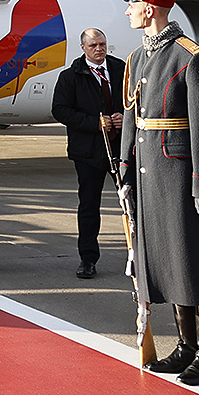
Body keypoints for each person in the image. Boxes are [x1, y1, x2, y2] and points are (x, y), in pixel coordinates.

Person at [119, 0, 199, 386]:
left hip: (180, 174)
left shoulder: (191, 57)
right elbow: (133, 119)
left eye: (132, 3)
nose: (128, 10)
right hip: (150, 174)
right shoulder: (138, 58)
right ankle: (187, 346)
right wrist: (125, 170)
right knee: (169, 263)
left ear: (150, 7)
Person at [51, 28, 126, 280]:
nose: (99, 49)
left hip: (120, 148)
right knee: (89, 206)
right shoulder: (71, 76)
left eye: (102, 44)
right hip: (88, 151)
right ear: (83, 47)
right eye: (93, 45)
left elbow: (135, 100)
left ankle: (139, 255)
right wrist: (95, 122)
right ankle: (88, 259)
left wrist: (125, 117)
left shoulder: (120, 69)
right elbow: (60, 110)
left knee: (132, 203)